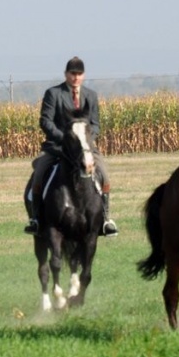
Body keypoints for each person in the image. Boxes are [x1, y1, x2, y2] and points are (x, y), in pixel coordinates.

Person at [24, 56, 118, 237]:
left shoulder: (91, 95)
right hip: (58, 147)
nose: (75, 77)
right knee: (39, 174)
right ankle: (36, 219)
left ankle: (106, 219)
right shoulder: (53, 94)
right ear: (66, 74)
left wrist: (86, 141)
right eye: (72, 73)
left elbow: (95, 124)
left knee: (104, 176)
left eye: (79, 74)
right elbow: (46, 121)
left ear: (83, 75)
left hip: (85, 148)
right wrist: (67, 138)